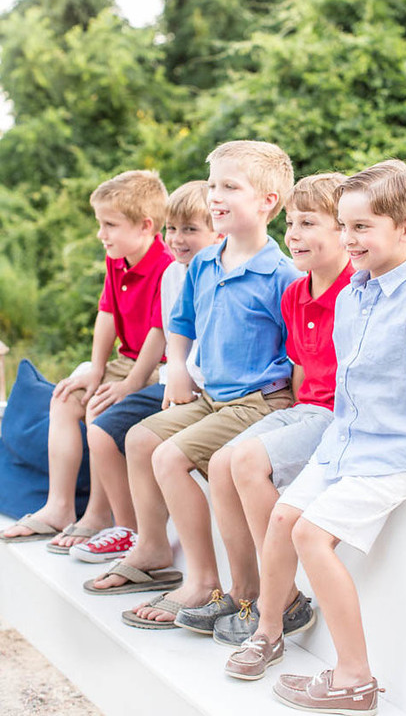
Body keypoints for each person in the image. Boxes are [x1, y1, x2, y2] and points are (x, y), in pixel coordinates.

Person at [224, 159, 406, 716]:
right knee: (284, 520)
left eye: (362, 227)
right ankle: (269, 631)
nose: (348, 238)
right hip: (344, 443)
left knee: (312, 535)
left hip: (392, 456)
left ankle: (355, 678)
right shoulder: (353, 293)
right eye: (344, 225)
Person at [85, 140, 299, 632]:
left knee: (169, 456)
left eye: (229, 186)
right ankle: (155, 549)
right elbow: (179, 324)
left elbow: (298, 355)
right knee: (139, 438)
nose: (215, 196)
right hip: (211, 397)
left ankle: (204, 581)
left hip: (258, 402)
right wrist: (177, 364)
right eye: (212, 185)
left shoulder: (281, 274)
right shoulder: (204, 263)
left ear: (267, 201)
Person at [175, 173, 353, 641]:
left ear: (346, 231)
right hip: (304, 409)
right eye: (291, 223)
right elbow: (299, 371)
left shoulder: (358, 292)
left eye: (309, 223)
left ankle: (286, 599)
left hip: (339, 416)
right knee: (220, 462)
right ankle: (244, 591)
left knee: (249, 459)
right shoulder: (296, 292)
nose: (293, 234)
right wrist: (283, 425)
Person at [0, 170, 173, 549]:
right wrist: (96, 368)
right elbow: (107, 313)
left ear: (145, 226)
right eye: (101, 224)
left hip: (157, 369)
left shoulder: (166, 265)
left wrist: (127, 384)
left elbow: (159, 333)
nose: (101, 234)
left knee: (99, 410)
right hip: (125, 362)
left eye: (109, 225)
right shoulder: (118, 259)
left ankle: (102, 514)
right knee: (64, 398)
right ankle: (59, 507)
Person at [67, 181, 221, 563]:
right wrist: (101, 370)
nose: (178, 239)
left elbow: (164, 338)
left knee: (128, 434)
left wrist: (135, 383)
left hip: (198, 389)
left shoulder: (205, 272)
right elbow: (175, 335)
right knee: (100, 422)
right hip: (174, 380)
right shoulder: (176, 275)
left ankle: (141, 536)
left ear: (218, 230)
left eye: (190, 229)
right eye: (173, 229)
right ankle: (127, 529)